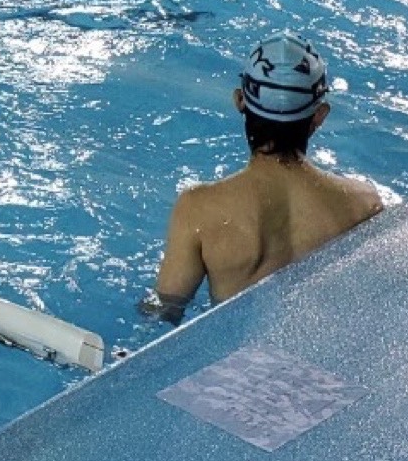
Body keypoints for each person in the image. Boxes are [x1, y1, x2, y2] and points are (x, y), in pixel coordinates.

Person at [142, 34, 380, 322]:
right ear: (320, 115)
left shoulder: (199, 209)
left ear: (239, 100)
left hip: (237, 346)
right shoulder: (363, 205)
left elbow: (164, 311)